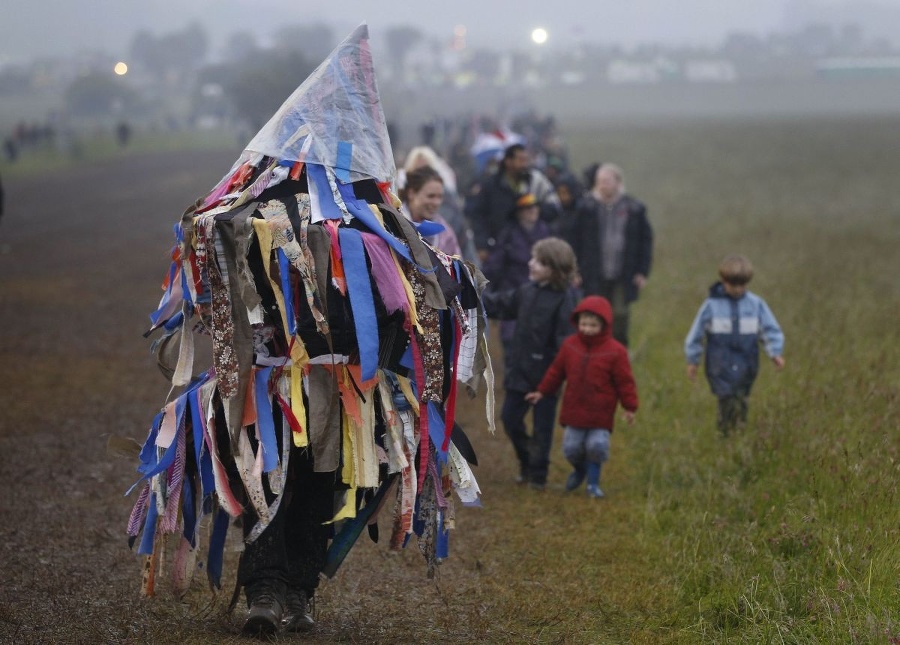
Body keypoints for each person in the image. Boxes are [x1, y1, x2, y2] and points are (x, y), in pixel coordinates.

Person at [482, 237, 579, 490]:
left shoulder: (565, 299)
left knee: (543, 429)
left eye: (539, 261)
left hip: (546, 378)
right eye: (533, 258)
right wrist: (470, 294)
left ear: (555, 268)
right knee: (510, 419)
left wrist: (550, 384)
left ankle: (538, 475)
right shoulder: (526, 291)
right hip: (519, 372)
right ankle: (527, 461)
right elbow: (499, 305)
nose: (531, 263)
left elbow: (564, 344)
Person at [526, 296, 638, 498]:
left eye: (593, 325)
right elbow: (556, 372)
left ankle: (593, 484)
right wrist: (542, 391)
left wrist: (630, 407)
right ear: (577, 322)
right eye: (584, 324)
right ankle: (580, 470)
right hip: (574, 410)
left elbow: (625, 382)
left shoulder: (616, 352)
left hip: (601, 413)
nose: (587, 329)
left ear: (604, 325)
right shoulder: (570, 346)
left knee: (596, 446)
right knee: (571, 448)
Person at [684, 254, 785, 435]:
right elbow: (697, 333)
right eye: (733, 285)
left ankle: (739, 431)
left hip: (747, 361)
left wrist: (775, 353)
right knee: (726, 397)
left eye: (742, 285)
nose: (737, 290)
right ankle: (725, 433)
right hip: (719, 363)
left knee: (741, 397)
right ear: (723, 281)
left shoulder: (756, 305)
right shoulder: (711, 306)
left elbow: (769, 329)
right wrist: (693, 360)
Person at [566, 163, 653, 347]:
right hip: (593, 273)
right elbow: (573, 241)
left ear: (618, 182)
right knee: (593, 314)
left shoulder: (634, 209)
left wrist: (642, 272)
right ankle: (594, 353)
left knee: (620, 315)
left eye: (606, 181)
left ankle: (619, 354)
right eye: (599, 182)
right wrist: (574, 271)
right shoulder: (585, 209)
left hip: (624, 273)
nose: (602, 185)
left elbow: (645, 242)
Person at [482, 193, 552, 359]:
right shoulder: (509, 235)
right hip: (513, 294)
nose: (532, 211)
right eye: (527, 208)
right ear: (519, 212)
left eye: (535, 207)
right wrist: (484, 288)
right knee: (511, 342)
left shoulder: (546, 232)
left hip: (541, 296)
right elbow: (494, 265)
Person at [467, 143, 560, 264]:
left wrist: (532, 210)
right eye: (521, 160)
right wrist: (481, 245)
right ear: (508, 161)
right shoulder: (491, 186)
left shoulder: (535, 181)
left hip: (530, 249)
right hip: (498, 248)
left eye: (526, 160)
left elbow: (555, 208)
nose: (524, 164)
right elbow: (478, 216)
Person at [399, 165, 462, 256]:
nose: (436, 202)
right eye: (431, 196)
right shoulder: (394, 224)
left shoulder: (445, 233)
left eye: (439, 197)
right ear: (411, 193)